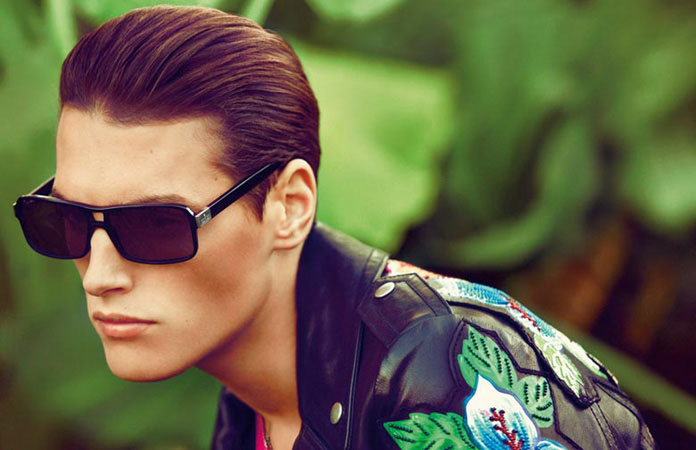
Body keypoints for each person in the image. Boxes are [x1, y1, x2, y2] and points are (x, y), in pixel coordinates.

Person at [13, 5, 655, 450]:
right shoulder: (251, 405)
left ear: (290, 206)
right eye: (66, 222)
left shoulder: (441, 375)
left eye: (157, 227)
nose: (99, 275)